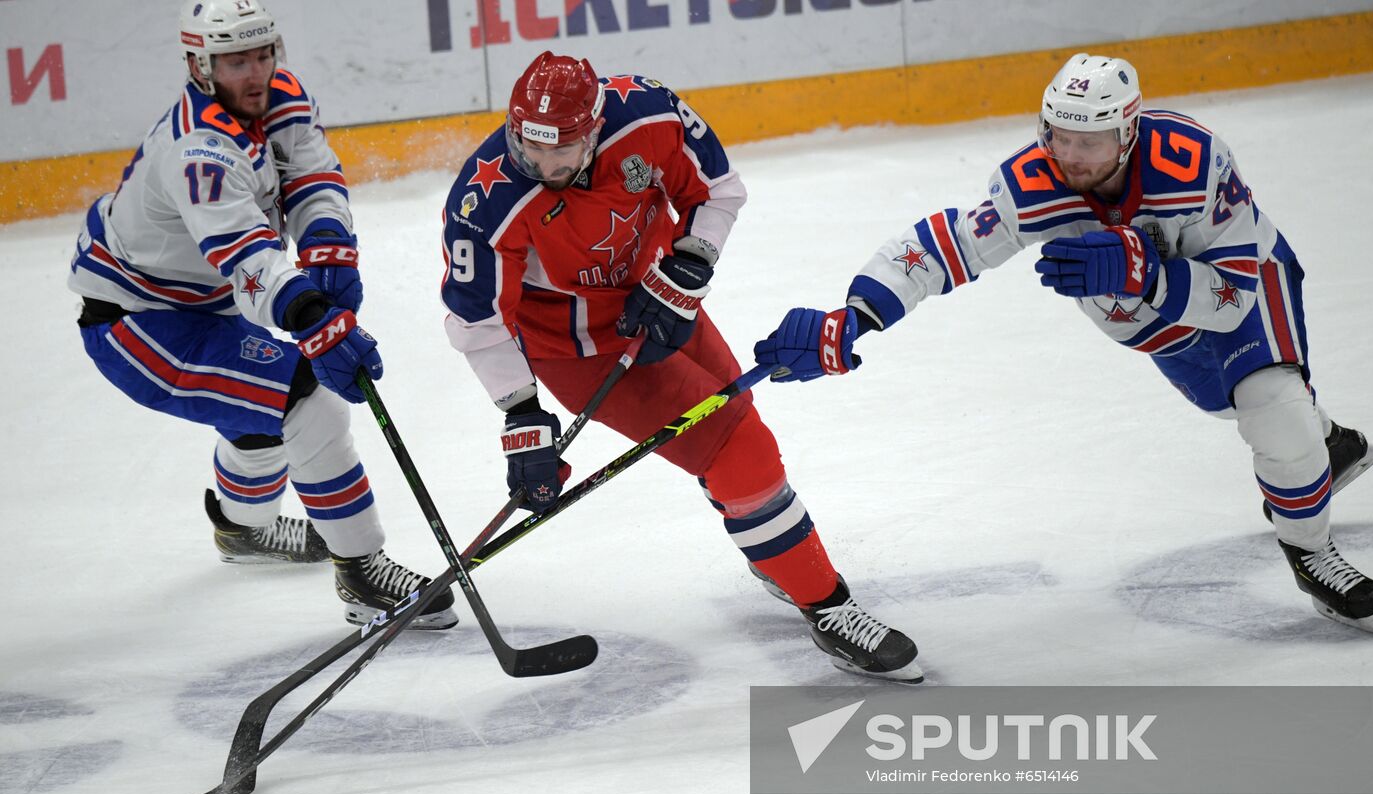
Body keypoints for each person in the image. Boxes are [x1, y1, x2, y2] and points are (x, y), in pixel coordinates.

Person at [756, 52, 1373, 634]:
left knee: (1272, 409)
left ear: (1128, 131)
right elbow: (942, 246)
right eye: (1061, 137)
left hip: (1246, 281)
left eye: (1091, 141)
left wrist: (1142, 270)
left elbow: (1232, 299)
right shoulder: (1033, 183)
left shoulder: (1194, 163)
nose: (1073, 156)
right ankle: (1324, 445)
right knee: (1235, 408)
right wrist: (856, 315)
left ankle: (1312, 551)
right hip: (1146, 319)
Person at [438, 51, 921, 682]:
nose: (545, 168)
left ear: (595, 126)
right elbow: (477, 320)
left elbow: (718, 190)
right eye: (530, 151)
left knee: (738, 423)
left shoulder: (647, 112)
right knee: (741, 449)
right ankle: (829, 609)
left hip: (661, 299)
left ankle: (772, 555)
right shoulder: (486, 201)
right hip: (581, 350)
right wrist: (523, 415)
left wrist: (690, 264)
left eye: (562, 153)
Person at [67, 0, 456, 630]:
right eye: (234, 61)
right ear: (201, 65)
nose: (254, 73)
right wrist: (312, 317)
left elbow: (309, 174)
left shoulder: (280, 94)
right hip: (140, 323)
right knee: (303, 397)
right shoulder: (200, 150)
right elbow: (246, 254)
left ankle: (241, 530)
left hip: (197, 304)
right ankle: (362, 571)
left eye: (261, 54)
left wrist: (330, 252)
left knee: (256, 412)